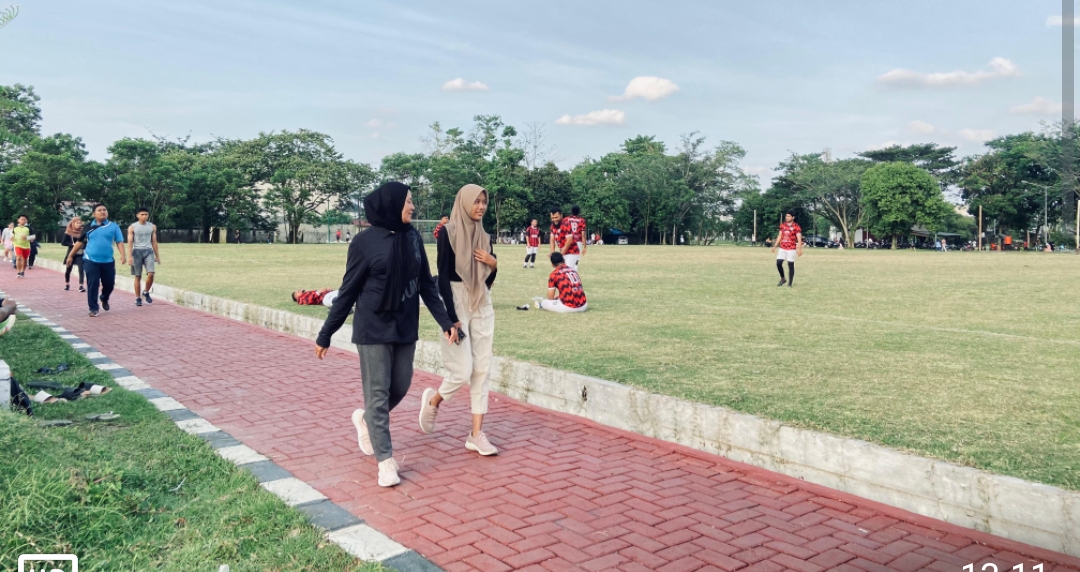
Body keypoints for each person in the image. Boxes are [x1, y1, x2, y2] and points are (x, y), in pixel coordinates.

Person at [314, 182, 457, 488]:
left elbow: (426, 285)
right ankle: (385, 461)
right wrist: (326, 333)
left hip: (404, 325)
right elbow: (348, 291)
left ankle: (366, 420)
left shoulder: (413, 238)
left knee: (401, 385)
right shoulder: (363, 243)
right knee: (378, 393)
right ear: (392, 204)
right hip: (373, 327)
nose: (413, 207)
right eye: (408, 201)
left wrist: (446, 321)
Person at [419, 184, 499, 456]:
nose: (481, 207)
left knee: (483, 368)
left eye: (484, 202)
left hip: (481, 299)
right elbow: (441, 276)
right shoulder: (448, 232)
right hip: (455, 300)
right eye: (476, 201)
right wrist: (450, 318)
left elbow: (489, 278)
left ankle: (476, 434)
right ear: (464, 202)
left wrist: (493, 263)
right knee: (463, 370)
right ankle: (434, 401)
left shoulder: (485, 236)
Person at [65, 204, 127, 317]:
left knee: (109, 284)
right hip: (90, 260)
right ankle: (93, 308)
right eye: (99, 210)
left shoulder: (114, 226)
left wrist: (123, 255)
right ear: (94, 214)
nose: (103, 212)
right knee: (93, 284)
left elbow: (119, 241)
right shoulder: (88, 227)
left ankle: (104, 298)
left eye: (104, 210)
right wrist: (70, 255)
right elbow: (79, 242)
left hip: (108, 261)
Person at [128, 207, 161, 307]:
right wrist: (129, 256)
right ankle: (138, 298)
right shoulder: (132, 227)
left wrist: (157, 256)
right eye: (142, 214)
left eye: (146, 214)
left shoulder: (152, 226)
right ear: (137, 215)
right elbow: (130, 242)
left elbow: (154, 241)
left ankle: (146, 292)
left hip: (148, 251)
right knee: (138, 276)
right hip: (136, 252)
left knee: (151, 273)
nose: (144, 216)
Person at [771, 212, 802, 287]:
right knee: (778, 263)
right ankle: (783, 278)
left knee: (790, 264)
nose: (787, 217)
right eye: (786, 216)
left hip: (791, 248)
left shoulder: (796, 226)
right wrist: (775, 246)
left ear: (793, 217)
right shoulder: (783, 225)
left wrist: (799, 249)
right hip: (783, 247)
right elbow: (780, 236)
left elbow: (799, 238)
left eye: (789, 216)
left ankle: (790, 283)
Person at [62, 218, 86, 292]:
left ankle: (81, 286)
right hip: (71, 254)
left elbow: (86, 242)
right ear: (73, 224)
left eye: (80, 223)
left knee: (81, 269)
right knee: (68, 269)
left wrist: (83, 246)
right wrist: (72, 244)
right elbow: (63, 242)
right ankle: (67, 284)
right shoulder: (68, 232)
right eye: (77, 223)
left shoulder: (83, 232)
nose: (79, 225)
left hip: (80, 253)